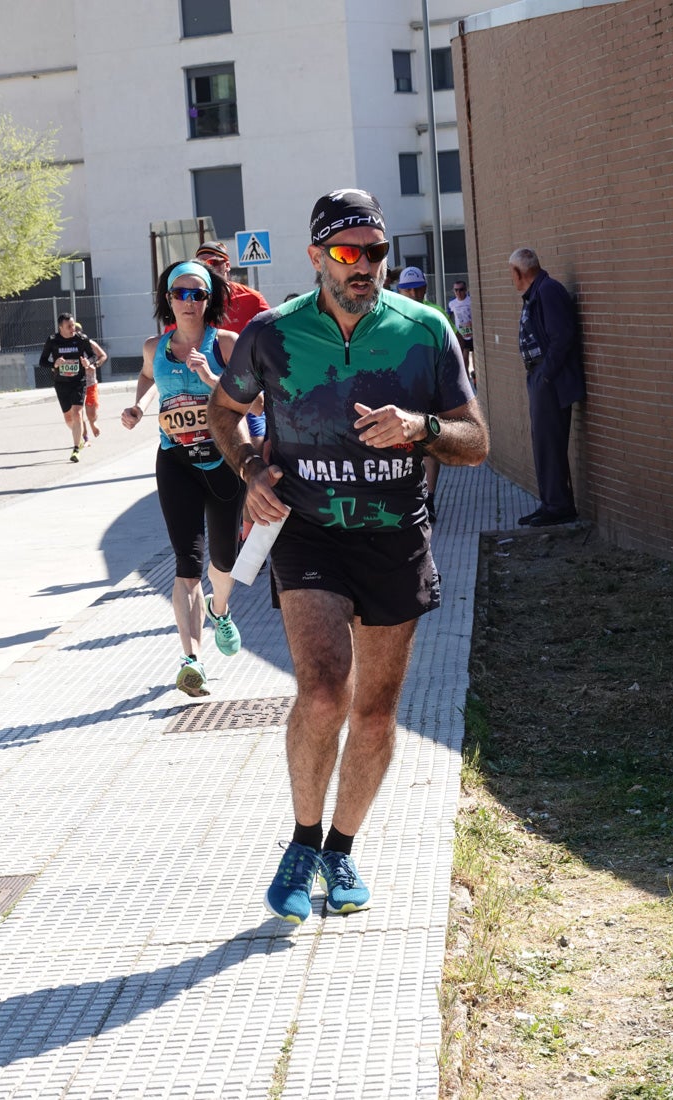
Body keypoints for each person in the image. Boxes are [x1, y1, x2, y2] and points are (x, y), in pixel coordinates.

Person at [208, 188, 489, 925]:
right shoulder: (271, 334)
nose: (364, 265)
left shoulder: (424, 331)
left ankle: (341, 848)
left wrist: (421, 426)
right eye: (346, 252)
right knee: (325, 691)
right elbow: (223, 413)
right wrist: (248, 473)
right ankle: (302, 843)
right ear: (316, 259)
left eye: (375, 251)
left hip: (394, 536)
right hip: (307, 534)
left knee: (373, 712)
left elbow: (476, 442)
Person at [120, 260, 245, 698]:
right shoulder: (155, 347)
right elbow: (146, 375)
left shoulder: (227, 344)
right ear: (168, 299)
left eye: (198, 294)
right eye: (181, 294)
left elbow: (258, 404)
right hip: (176, 464)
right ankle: (191, 660)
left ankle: (221, 608)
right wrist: (137, 406)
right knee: (187, 565)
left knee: (224, 562)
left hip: (224, 464)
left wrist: (212, 379)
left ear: (209, 300)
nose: (189, 302)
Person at [194, 239, 270, 540]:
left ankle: (250, 535)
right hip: (206, 396)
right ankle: (232, 531)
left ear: (227, 266)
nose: (208, 271)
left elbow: (274, 337)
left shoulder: (251, 299)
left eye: (213, 264)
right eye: (202, 265)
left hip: (248, 393)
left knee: (255, 452)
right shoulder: (193, 300)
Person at [508, 247, 586, 527]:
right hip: (540, 377)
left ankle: (558, 506)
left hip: (549, 380)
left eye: (511, 273)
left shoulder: (548, 291)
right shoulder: (536, 293)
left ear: (519, 272)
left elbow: (562, 336)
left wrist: (546, 376)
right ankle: (550, 503)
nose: (511, 279)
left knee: (549, 443)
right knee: (542, 443)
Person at [397, 266, 454, 524]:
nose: (413, 292)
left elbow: (455, 347)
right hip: (401, 391)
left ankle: (429, 499)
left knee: (430, 446)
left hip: (430, 390)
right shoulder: (391, 314)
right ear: (399, 290)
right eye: (407, 289)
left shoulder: (436, 314)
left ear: (424, 288)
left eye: (417, 287)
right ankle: (410, 495)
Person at [39, 313, 94, 462]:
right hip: (61, 383)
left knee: (77, 413)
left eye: (73, 325)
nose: (73, 328)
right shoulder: (52, 341)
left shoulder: (81, 339)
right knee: (69, 418)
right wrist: (54, 364)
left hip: (78, 381)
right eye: (69, 326)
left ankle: (76, 449)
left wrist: (88, 363)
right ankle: (79, 435)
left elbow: (92, 355)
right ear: (61, 327)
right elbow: (42, 361)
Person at [74, 322, 107, 442]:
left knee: (91, 413)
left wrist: (95, 364)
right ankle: (85, 437)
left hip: (90, 382)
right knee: (78, 413)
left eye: (77, 331)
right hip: (75, 383)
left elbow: (103, 355)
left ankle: (93, 423)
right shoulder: (67, 346)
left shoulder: (90, 343)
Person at [447, 280, 474, 382]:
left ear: (466, 290)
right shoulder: (452, 303)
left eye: (461, 290)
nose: (458, 292)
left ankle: (476, 378)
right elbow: (448, 316)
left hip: (473, 334)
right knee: (465, 358)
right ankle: (467, 381)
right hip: (462, 334)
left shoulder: (470, 300)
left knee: (477, 359)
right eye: (456, 290)